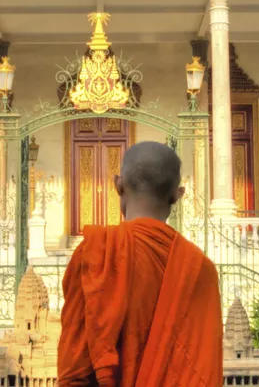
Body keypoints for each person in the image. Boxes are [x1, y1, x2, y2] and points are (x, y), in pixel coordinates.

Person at [58, 141, 223, 387]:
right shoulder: (202, 271)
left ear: (118, 185)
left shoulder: (94, 254)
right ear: (177, 195)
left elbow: (74, 370)